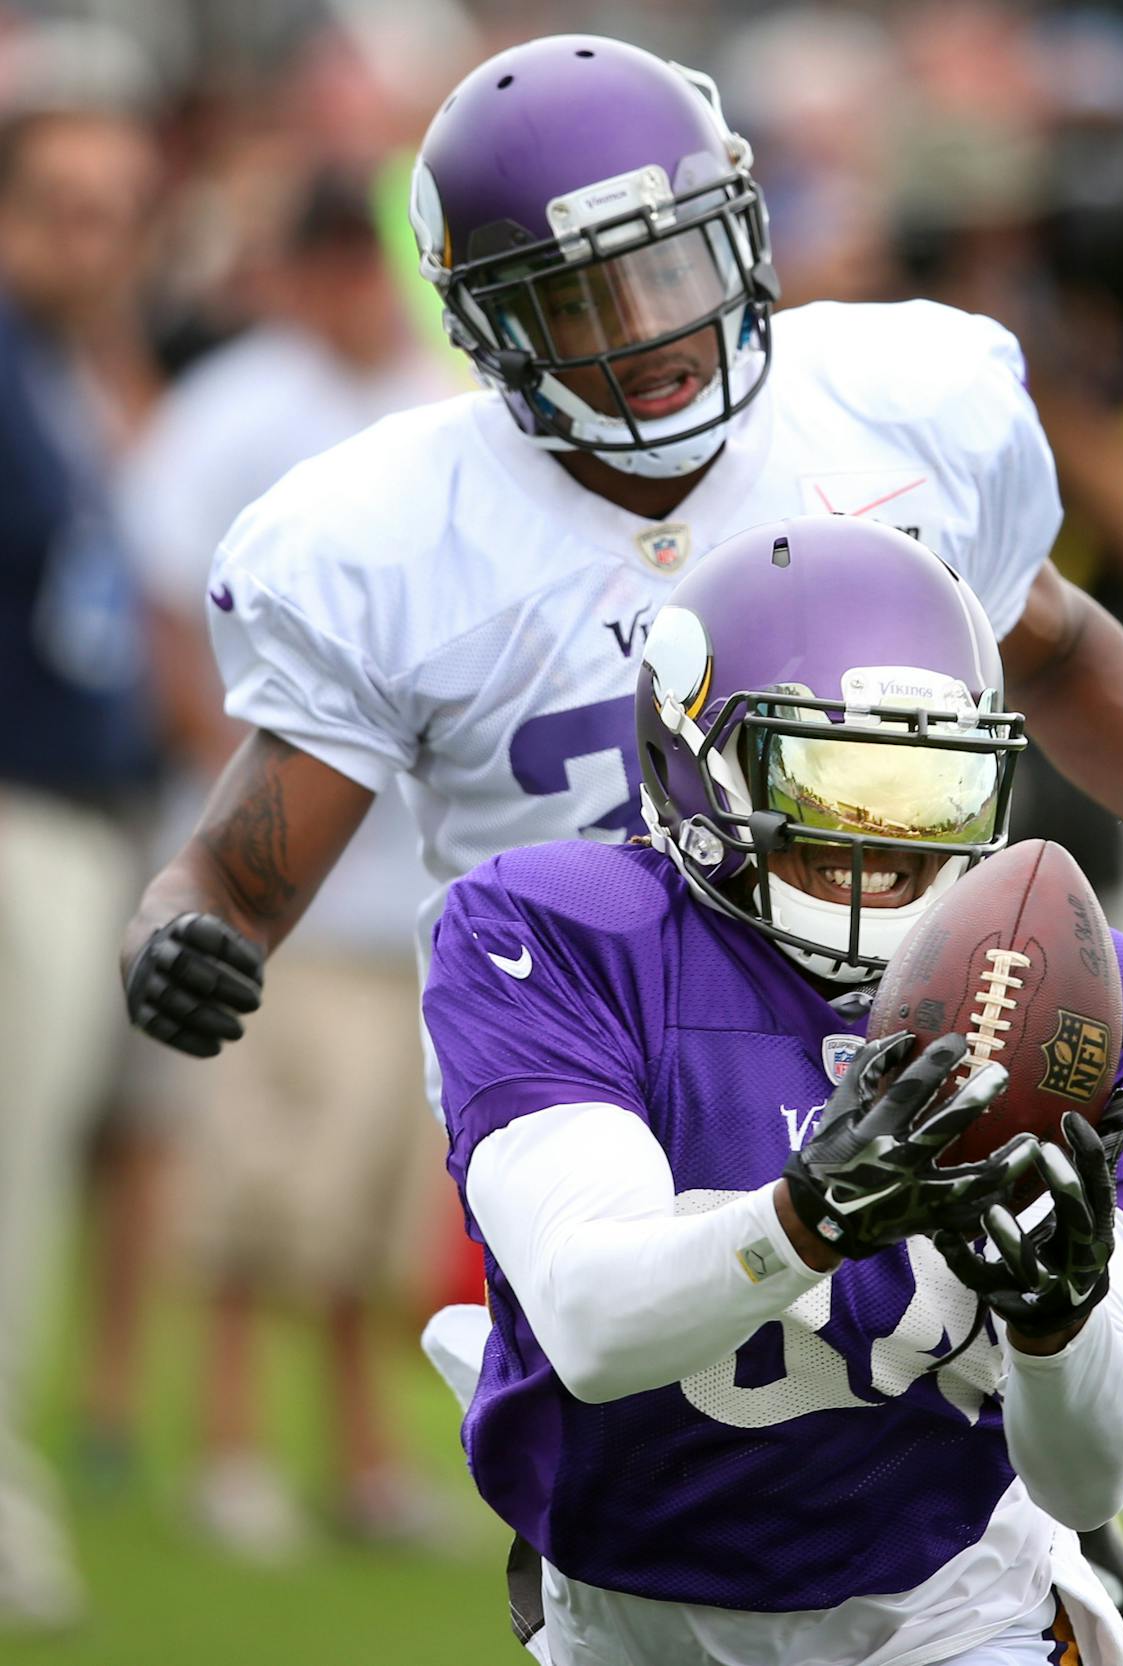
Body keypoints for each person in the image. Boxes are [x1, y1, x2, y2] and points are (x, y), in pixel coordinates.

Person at [119, 32, 1123, 1079]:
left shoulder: (901, 405)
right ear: (489, 326)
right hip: (591, 1078)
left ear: (739, 230)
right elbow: (232, 877)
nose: (644, 331)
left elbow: (1049, 644)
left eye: (668, 267)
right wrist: (176, 933)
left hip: (899, 1034)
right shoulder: (389, 535)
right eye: (578, 301)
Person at [419, 516, 1123, 1666]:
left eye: (924, 790)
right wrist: (806, 1220)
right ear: (696, 764)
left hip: (947, 1609)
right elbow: (588, 1321)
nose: (877, 843)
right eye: (833, 779)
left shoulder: (1076, 1000)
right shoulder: (564, 932)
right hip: (631, 1615)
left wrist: (1054, 1323)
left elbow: (1087, 1471)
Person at [102, 164, 453, 1555]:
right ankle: (230, 1448)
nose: (355, 289)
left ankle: (363, 1462)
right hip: (283, 884)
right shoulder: (237, 406)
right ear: (296, 269)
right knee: (256, 1197)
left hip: (413, 892)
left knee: (375, 1216)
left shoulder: (436, 401)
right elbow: (159, 592)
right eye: (333, 262)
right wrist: (222, 772)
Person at [0, 78, 160, 1629]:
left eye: (116, 208)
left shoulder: (61, 369)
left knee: (29, 1177)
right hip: (15, 809)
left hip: (69, 815)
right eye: (60, 203)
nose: (91, 236)